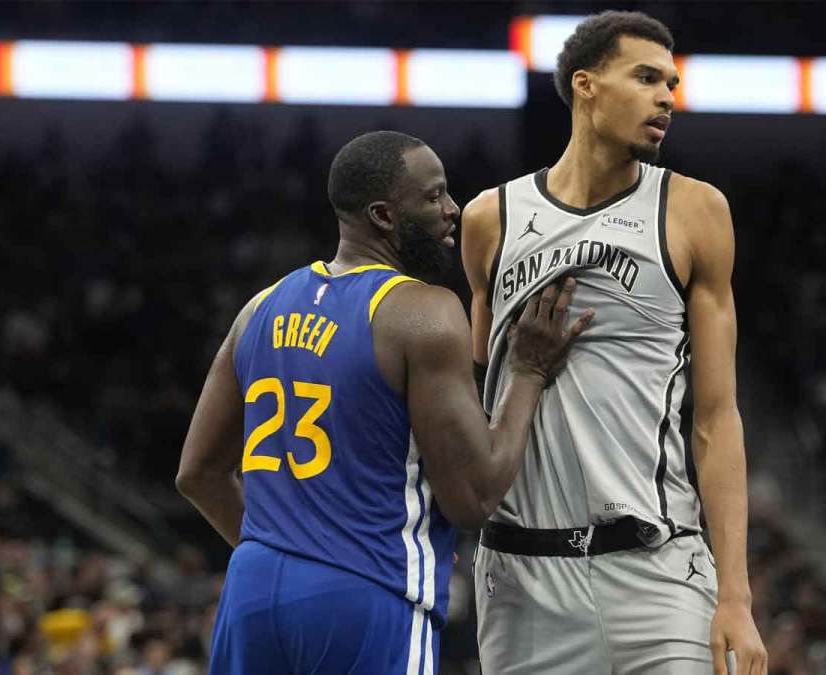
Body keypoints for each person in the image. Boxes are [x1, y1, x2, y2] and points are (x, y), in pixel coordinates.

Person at [176, 130, 592, 674]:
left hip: (251, 593)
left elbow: (197, 474)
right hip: (364, 592)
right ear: (384, 216)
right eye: (434, 196)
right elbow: (473, 495)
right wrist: (528, 372)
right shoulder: (422, 312)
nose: (452, 209)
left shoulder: (259, 307)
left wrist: (289, 554)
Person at [460, 11, 767, 675]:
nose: (666, 98)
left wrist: (736, 596)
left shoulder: (694, 211)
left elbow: (717, 418)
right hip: (521, 579)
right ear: (586, 84)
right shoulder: (489, 219)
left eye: (672, 84)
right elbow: (468, 408)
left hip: (658, 569)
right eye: (647, 77)